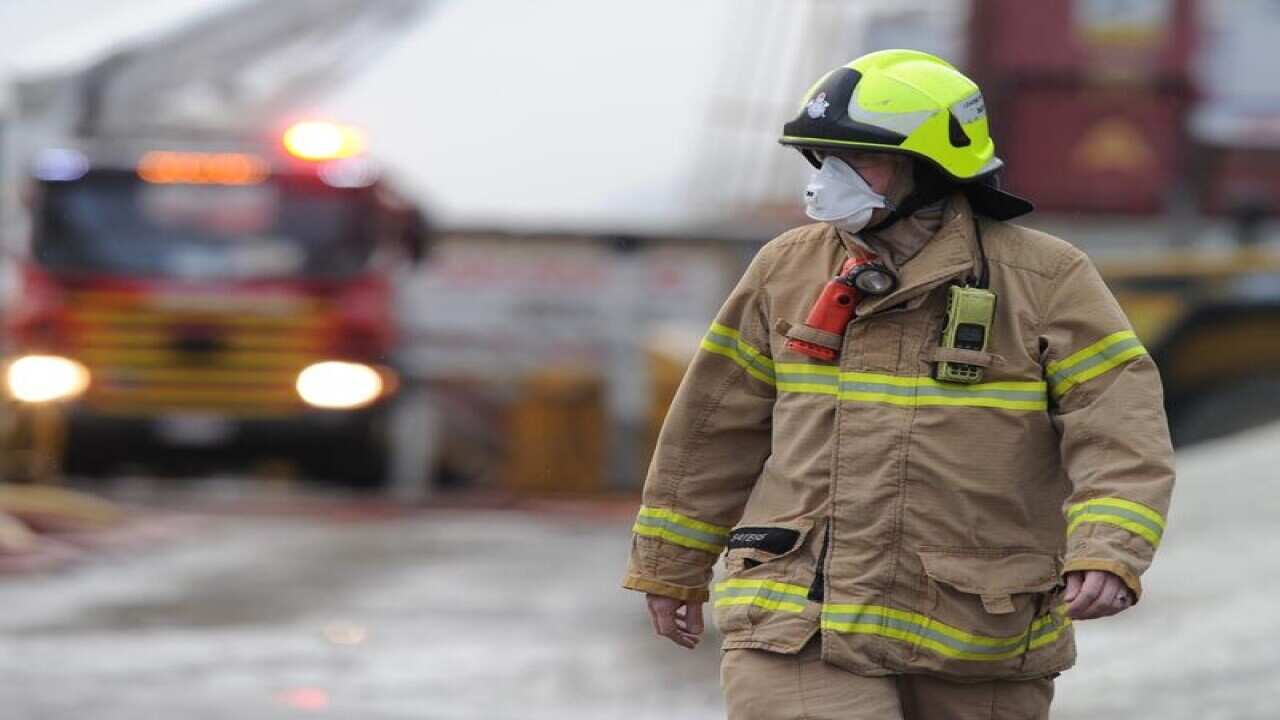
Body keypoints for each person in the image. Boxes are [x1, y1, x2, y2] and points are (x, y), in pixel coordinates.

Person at [621, 49, 1175, 719]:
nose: (829, 181)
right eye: (820, 158)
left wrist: (1109, 551)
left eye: (858, 159)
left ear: (933, 167)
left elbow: (1121, 429)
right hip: (797, 621)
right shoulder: (784, 270)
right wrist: (669, 565)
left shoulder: (1047, 281)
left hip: (978, 637)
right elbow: (710, 432)